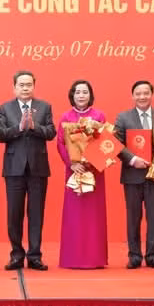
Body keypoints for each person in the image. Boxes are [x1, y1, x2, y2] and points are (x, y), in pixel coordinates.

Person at [0, 70, 56, 271]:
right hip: (14, 169)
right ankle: (16, 255)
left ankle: (35, 256)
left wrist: (34, 127)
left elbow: (51, 132)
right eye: (21, 84)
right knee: (14, 214)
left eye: (29, 84)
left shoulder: (44, 106)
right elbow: (0, 134)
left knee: (36, 213)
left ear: (34, 86)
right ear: (14, 87)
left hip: (38, 169)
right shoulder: (5, 108)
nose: (25, 88)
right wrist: (20, 128)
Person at [113, 80, 154, 270]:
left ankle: (153, 256)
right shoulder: (123, 118)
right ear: (133, 96)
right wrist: (132, 160)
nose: (142, 97)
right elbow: (116, 145)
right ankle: (134, 256)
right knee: (133, 217)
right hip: (132, 175)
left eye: (146, 93)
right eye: (138, 93)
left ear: (151, 94)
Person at [56, 80, 108, 269]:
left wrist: (91, 163)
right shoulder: (65, 117)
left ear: (90, 95)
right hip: (73, 172)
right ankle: (73, 258)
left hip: (94, 172)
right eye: (77, 92)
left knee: (94, 215)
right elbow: (61, 143)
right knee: (74, 215)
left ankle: (95, 258)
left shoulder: (98, 116)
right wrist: (73, 163)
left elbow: (104, 142)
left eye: (85, 92)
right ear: (72, 95)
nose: (81, 95)